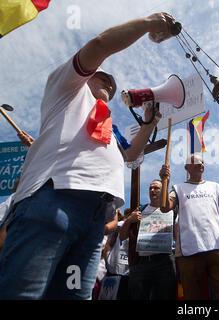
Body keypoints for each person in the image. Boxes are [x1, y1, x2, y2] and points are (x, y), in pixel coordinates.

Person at [0, 12, 177, 300]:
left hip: (94, 221)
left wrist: (149, 124)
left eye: (113, 83)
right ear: (87, 76)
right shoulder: (66, 88)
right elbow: (100, 45)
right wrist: (148, 24)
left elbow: (131, 154)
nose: (109, 83)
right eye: (103, 77)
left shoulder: (109, 126)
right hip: (53, 201)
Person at [159, 154, 219, 300]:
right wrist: (164, 180)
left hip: (218, 247)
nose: (200, 164)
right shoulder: (178, 188)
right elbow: (165, 207)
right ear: (186, 168)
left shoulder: (215, 187)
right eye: (195, 162)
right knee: (193, 295)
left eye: (202, 162)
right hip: (189, 252)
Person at [119, 179, 176, 300]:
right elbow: (122, 236)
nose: (152, 190)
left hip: (165, 261)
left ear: (163, 190)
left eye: (156, 188)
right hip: (141, 262)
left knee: (166, 295)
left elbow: (178, 235)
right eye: (150, 188)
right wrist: (129, 220)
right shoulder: (140, 210)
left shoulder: (172, 211)